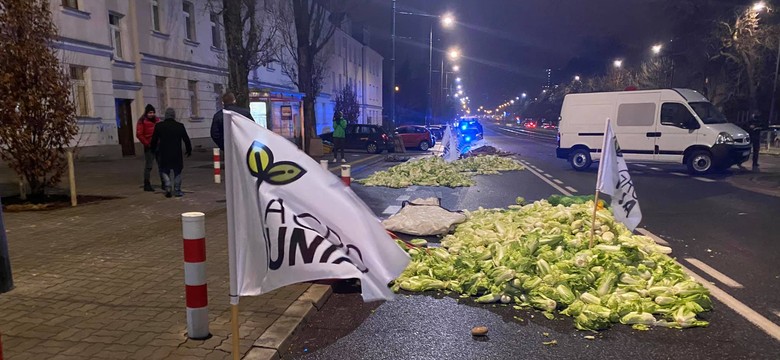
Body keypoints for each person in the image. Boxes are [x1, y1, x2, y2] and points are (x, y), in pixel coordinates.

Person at [151, 108, 192, 198]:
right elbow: (186, 139)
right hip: (176, 153)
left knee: (164, 170)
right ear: (174, 115)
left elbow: (154, 140)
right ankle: (177, 190)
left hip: (164, 152)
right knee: (177, 172)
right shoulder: (179, 126)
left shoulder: (159, 126)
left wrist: (152, 150)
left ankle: (168, 186)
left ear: (165, 115)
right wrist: (189, 150)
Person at [136, 104, 161, 191]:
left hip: (158, 145)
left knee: (161, 165)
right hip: (149, 146)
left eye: (153, 112)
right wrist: (147, 143)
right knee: (149, 166)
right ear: (146, 113)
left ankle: (165, 183)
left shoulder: (157, 120)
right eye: (150, 112)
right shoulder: (142, 121)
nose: (152, 114)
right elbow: (139, 134)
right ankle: (147, 184)